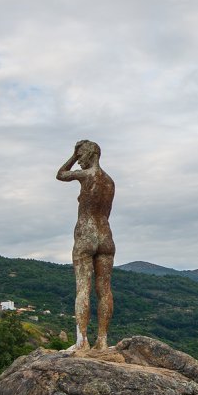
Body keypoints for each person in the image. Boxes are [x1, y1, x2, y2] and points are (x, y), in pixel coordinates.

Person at [57, 140, 116, 351]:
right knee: (105, 291)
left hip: (86, 235)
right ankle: (103, 340)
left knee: (83, 287)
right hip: (106, 236)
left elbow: (61, 174)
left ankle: (81, 340)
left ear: (91, 154)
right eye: (77, 155)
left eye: (81, 155)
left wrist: (71, 156)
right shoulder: (109, 181)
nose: (79, 159)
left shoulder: (87, 175)